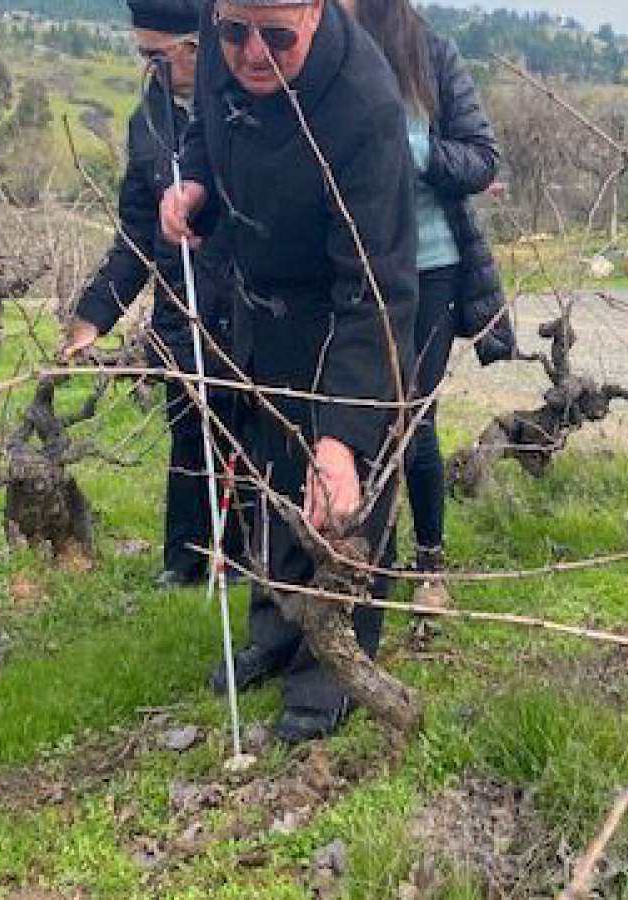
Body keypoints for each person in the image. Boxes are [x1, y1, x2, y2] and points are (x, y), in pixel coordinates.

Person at [160, 0, 418, 743]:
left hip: (344, 315)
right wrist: (195, 187)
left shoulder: (365, 104)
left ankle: (329, 671)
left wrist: (342, 435)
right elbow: (206, 133)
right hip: (255, 311)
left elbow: (377, 288)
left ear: (316, 9)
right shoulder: (226, 43)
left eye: (277, 37)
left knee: (338, 501)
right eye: (234, 31)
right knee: (268, 483)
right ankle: (274, 631)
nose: (250, 54)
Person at [63, 0, 244, 588]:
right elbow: (136, 235)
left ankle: (251, 559)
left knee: (251, 432)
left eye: (155, 56)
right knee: (189, 430)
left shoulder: (249, 105)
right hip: (178, 305)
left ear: (196, 47)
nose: (148, 69)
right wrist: (94, 316)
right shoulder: (147, 121)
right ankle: (187, 560)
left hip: (246, 303)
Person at [343, 0, 515, 612]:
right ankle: (365, 562)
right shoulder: (323, 51)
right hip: (350, 269)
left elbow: (480, 158)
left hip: (431, 269)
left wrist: (410, 152)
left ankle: (429, 568)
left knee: (413, 420)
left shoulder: (431, 55)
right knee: (355, 418)